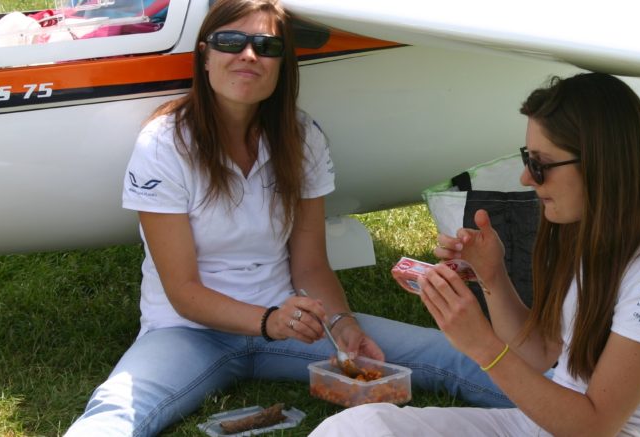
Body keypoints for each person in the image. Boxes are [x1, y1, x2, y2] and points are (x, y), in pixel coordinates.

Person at [62, 0, 509, 435]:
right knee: (115, 411)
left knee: (451, 354)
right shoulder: (164, 143)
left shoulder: (301, 137)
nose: (248, 55)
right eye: (230, 41)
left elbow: (310, 265)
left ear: (282, 65)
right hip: (188, 331)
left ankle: (551, 407)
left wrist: (343, 326)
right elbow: (183, 292)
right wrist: (268, 320)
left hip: (294, 324)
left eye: (267, 46)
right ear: (205, 55)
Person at [311, 73, 640, 436]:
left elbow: (593, 426)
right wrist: (491, 276)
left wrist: (482, 345)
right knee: (355, 428)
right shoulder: (595, 220)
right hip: (548, 425)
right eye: (528, 158)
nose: (527, 177)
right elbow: (541, 351)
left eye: (541, 164)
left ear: (601, 163)